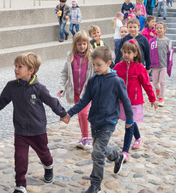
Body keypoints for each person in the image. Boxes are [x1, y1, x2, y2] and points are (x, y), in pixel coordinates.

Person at [0, 52, 69, 193]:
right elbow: (1, 102)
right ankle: (20, 185)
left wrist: (63, 114)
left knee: (44, 153)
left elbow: (52, 102)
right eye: (15, 66)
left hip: (37, 129)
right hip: (21, 130)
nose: (16, 69)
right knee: (20, 158)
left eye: (20, 66)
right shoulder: (11, 86)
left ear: (31, 70)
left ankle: (48, 166)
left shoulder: (39, 88)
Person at [62, 46, 134, 193]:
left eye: (98, 65)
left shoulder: (116, 81)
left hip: (108, 122)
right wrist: (70, 113)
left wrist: (129, 120)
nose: (95, 68)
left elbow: (126, 102)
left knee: (97, 153)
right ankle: (117, 157)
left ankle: (95, 184)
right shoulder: (93, 80)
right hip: (95, 121)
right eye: (93, 64)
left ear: (108, 63)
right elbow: (83, 101)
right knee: (99, 149)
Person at [113, 39, 157, 162]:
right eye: (124, 52)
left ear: (135, 54)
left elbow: (147, 84)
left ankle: (125, 152)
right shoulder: (118, 67)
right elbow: (111, 79)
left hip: (135, 101)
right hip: (122, 101)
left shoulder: (139, 68)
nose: (126, 54)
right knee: (130, 120)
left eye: (129, 52)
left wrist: (152, 99)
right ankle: (138, 137)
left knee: (129, 123)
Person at [57, 31, 94, 149]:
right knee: (80, 114)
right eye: (79, 44)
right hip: (76, 92)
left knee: (83, 113)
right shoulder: (71, 57)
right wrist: (61, 87)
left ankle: (87, 138)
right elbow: (64, 73)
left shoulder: (92, 56)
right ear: (75, 45)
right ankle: (84, 137)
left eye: (84, 44)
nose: (82, 46)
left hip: (88, 92)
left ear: (88, 44)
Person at [150, 22, 174, 107]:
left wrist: (169, 65)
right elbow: (150, 52)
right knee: (155, 82)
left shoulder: (168, 41)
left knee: (162, 81)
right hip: (155, 65)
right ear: (155, 29)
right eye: (157, 28)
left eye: (161, 28)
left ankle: (161, 98)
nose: (159, 30)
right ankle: (158, 90)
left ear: (165, 29)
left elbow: (170, 53)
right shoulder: (152, 41)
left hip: (164, 65)